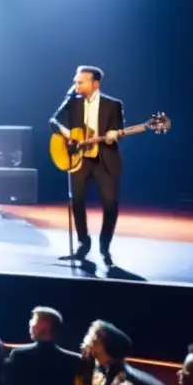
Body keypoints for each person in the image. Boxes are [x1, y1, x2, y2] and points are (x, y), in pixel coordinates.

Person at [50, 65, 124, 266]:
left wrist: (112, 136)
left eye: (80, 82)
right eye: (75, 81)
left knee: (110, 205)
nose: (76, 85)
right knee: (77, 202)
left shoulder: (113, 105)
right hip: (79, 159)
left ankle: (104, 245)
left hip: (104, 160)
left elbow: (118, 131)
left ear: (95, 83)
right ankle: (83, 243)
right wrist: (70, 136)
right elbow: (53, 121)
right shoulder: (73, 103)